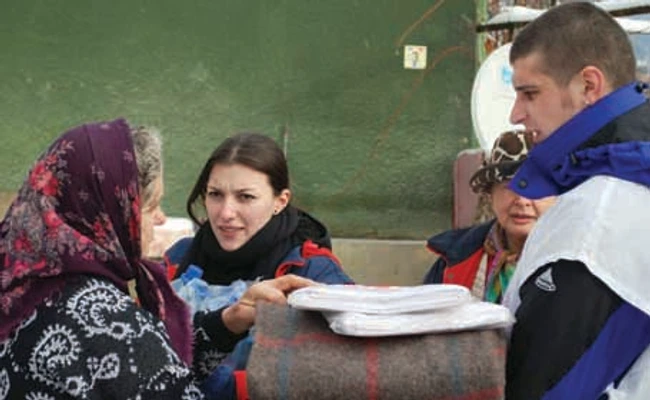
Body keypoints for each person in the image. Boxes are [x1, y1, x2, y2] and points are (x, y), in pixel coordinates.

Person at [0, 119, 317, 399]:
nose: (161, 218)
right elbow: (153, 367)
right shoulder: (105, 319)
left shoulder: (22, 285)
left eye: (246, 197)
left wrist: (225, 323)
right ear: (109, 215)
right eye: (151, 206)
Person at [500, 3, 650, 398]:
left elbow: (545, 388)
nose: (516, 114)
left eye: (530, 94)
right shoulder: (623, 186)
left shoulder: (600, 219)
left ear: (588, 86)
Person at [423, 130, 556, 303]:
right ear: (490, 194)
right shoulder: (454, 257)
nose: (522, 201)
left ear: (560, 197)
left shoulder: (578, 263)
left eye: (537, 187)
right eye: (510, 187)